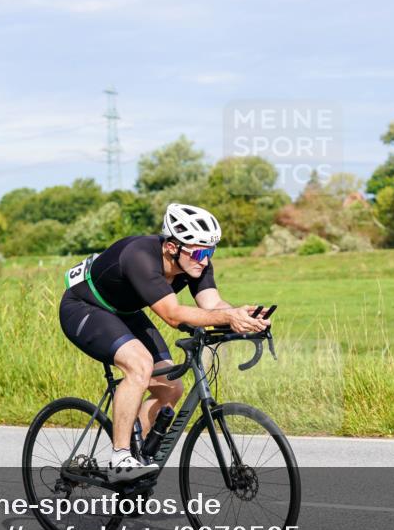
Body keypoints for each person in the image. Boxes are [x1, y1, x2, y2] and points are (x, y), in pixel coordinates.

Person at [58, 203, 271, 481]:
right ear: (172, 247)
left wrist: (244, 318)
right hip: (84, 307)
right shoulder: (140, 256)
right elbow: (172, 315)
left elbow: (213, 304)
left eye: (210, 252)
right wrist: (227, 317)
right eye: (199, 252)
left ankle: (136, 459)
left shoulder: (195, 261)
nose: (205, 260)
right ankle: (120, 458)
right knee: (139, 366)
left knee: (171, 387)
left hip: (125, 312)